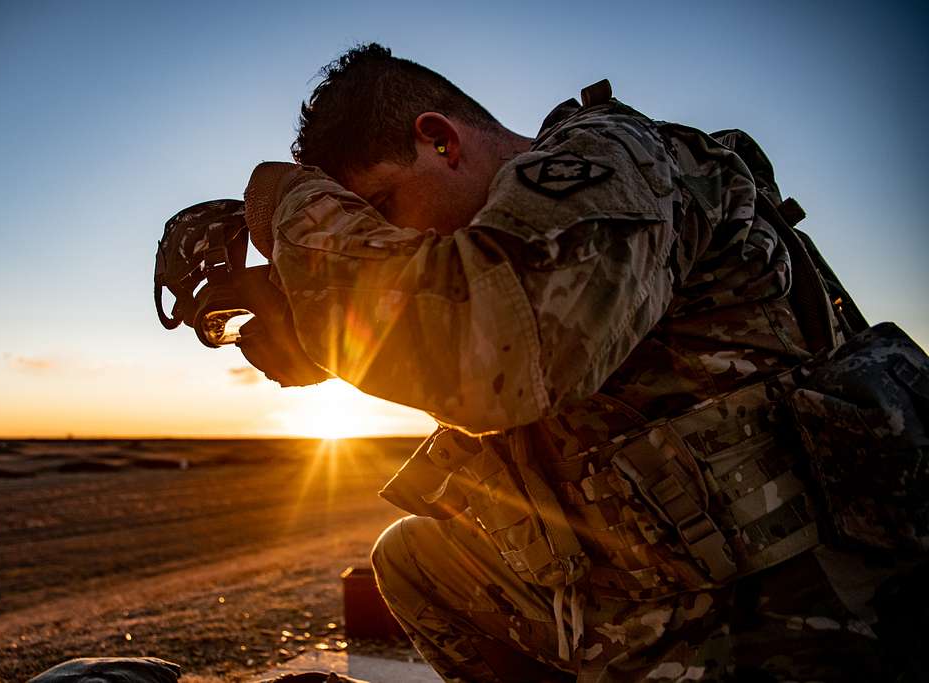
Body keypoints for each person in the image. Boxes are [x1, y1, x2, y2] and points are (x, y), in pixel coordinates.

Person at [234, 44, 922, 682]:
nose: (396, 241)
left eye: (383, 208)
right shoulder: (507, 249)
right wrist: (319, 332)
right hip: (645, 593)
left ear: (440, 139)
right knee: (414, 560)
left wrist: (290, 202)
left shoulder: (614, 153)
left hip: (790, 614)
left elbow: (497, 347)